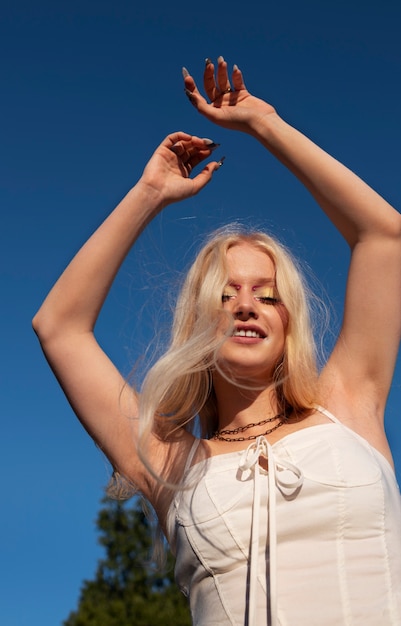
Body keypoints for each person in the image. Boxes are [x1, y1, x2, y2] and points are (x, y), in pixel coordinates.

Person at [33, 56, 401, 625]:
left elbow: (385, 236)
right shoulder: (168, 459)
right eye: (224, 295)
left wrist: (264, 123)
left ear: (288, 323)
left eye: (266, 293)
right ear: (199, 328)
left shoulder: (349, 402)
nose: (247, 304)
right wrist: (150, 192)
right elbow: (58, 325)